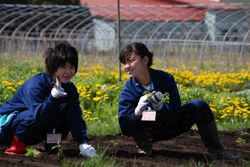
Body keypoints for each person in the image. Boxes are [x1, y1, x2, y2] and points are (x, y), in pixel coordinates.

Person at [118, 42, 239, 160]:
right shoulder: (129, 90)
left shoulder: (166, 79)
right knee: (143, 115)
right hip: (149, 131)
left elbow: (175, 112)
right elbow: (125, 127)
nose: (126, 66)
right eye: (124, 62)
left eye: (131, 61)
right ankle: (144, 145)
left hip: (169, 123)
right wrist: (137, 113)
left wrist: (161, 108)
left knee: (199, 106)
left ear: (145, 60)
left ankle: (217, 150)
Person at [0, 42, 96, 157]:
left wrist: (82, 143)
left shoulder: (70, 89)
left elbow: (75, 116)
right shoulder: (36, 85)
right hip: (7, 128)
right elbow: (38, 116)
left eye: (71, 67)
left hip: (29, 131)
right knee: (33, 115)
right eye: (63, 67)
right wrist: (53, 97)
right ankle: (15, 148)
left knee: (65, 117)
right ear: (53, 67)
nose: (68, 72)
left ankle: (51, 146)